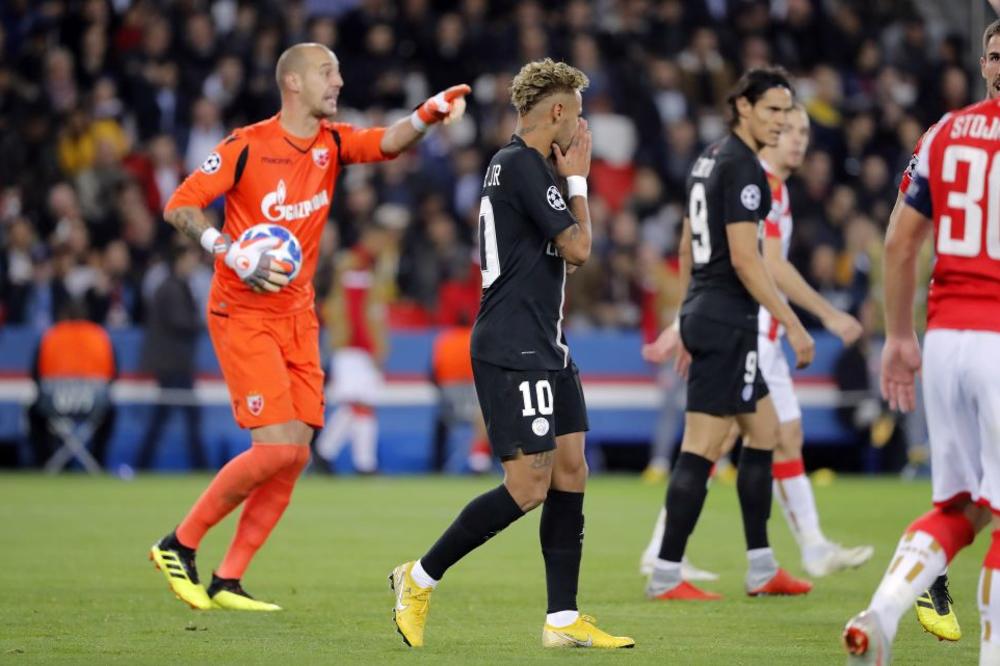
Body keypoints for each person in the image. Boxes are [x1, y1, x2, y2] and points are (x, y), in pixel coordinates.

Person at [149, 41, 470, 611]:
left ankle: (228, 579)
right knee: (274, 450)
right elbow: (180, 204)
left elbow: (389, 141)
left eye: (339, 71)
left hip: (297, 315)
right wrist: (228, 250)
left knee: (296, 455)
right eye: (327, 72)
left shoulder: (332, 143)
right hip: (244, 313)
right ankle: (179, 543)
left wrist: (428, 112)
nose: (338, 81)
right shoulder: (246, 145)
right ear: (293, 82)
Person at [389, 58, 633, 649]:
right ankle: (419, 577)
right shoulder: (520, 163)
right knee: (528, 485)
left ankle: (562, 619)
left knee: (572, 469)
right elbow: (579, 249)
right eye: (577, 114)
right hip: (513, 343)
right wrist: (579, 182)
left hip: (547, 342)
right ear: (558, 111)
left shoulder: (529, 167)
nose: (581, 127)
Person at [640, 104, 874, 581]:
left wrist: (686, 319)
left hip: (757, 330)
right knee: (721, 438)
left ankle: (807, 548)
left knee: (783, 436)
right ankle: (668, 553)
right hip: (748, 330)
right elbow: (767, 263)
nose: (798, 139)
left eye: (803, 131)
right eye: (788, 130)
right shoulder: (756, 182)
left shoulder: (763, 183)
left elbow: (694, 246)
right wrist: (825, 315)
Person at [842, 34, 1000, 666]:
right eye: (993, 52)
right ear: (981, 63)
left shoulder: (943, 134)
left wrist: (900, 335)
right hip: (995, 338)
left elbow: (900, 240)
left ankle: (881, 614)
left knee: (960, 507)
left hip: (947, 338)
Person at [641, 67, 815, 602]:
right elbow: (745, 258)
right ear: (743, 107)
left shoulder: (708, 158)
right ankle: (665, 571)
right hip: (726, 319)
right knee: (702, 445)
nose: (781, 122)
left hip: (708, 312)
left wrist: (684, 317)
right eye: (772, 111)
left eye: (786, 112)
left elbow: (686, 247)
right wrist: (792, 323)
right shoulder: (743, 168)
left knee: (764, 431)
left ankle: (761, 567)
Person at [315, 216, 401, 474]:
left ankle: (341, 457)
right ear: (371, 237)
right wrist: (371, 347)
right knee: (358, 404)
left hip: (356, 346)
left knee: (360, 405)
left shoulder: (367, 265)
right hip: (353, 346)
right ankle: (352, 460)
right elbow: (354, 312)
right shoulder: (355, 266)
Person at [136, 243, 207, 471]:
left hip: (174, 363)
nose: (194, 264)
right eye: (191, 259)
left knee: (165, 417)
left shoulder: (174, 285)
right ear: (180, 259)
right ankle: (200, 466)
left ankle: (143, 464)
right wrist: (205, 322)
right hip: (173, 364)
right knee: (184, 416)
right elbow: (180, 321)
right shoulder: (172, 288)